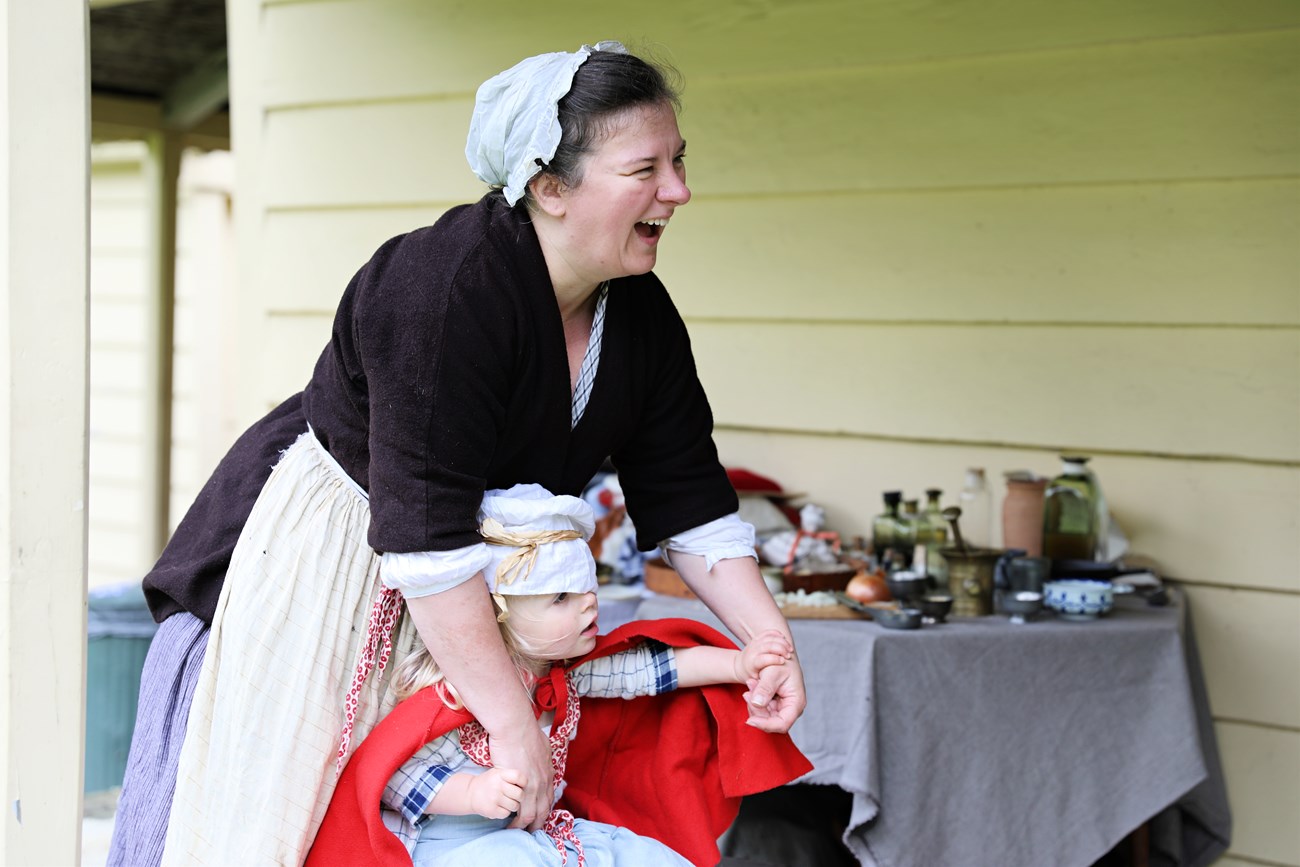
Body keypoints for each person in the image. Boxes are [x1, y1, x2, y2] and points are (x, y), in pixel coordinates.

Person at [109, 40, 807, 867]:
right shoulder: (444, 287)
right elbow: (427, 539)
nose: (679, 190)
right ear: (549, 186)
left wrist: (770, 642)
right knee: (286, 831)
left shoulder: (641, 318)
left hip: (475, 596)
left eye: (680, 162)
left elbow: (688, 496)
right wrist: (514, 725)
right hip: (339, 569)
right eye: (645, 168)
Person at [305, 484, 807, 867]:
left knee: (639, 854)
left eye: (587, 589)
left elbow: (649, 671)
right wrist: (472, 794)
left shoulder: (561, 675)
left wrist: (738, 664)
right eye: (561, 597)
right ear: (497, 613)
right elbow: (394, 777)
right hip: (456, 845)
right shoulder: (456, 696)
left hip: (537, 833)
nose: (588, 603)